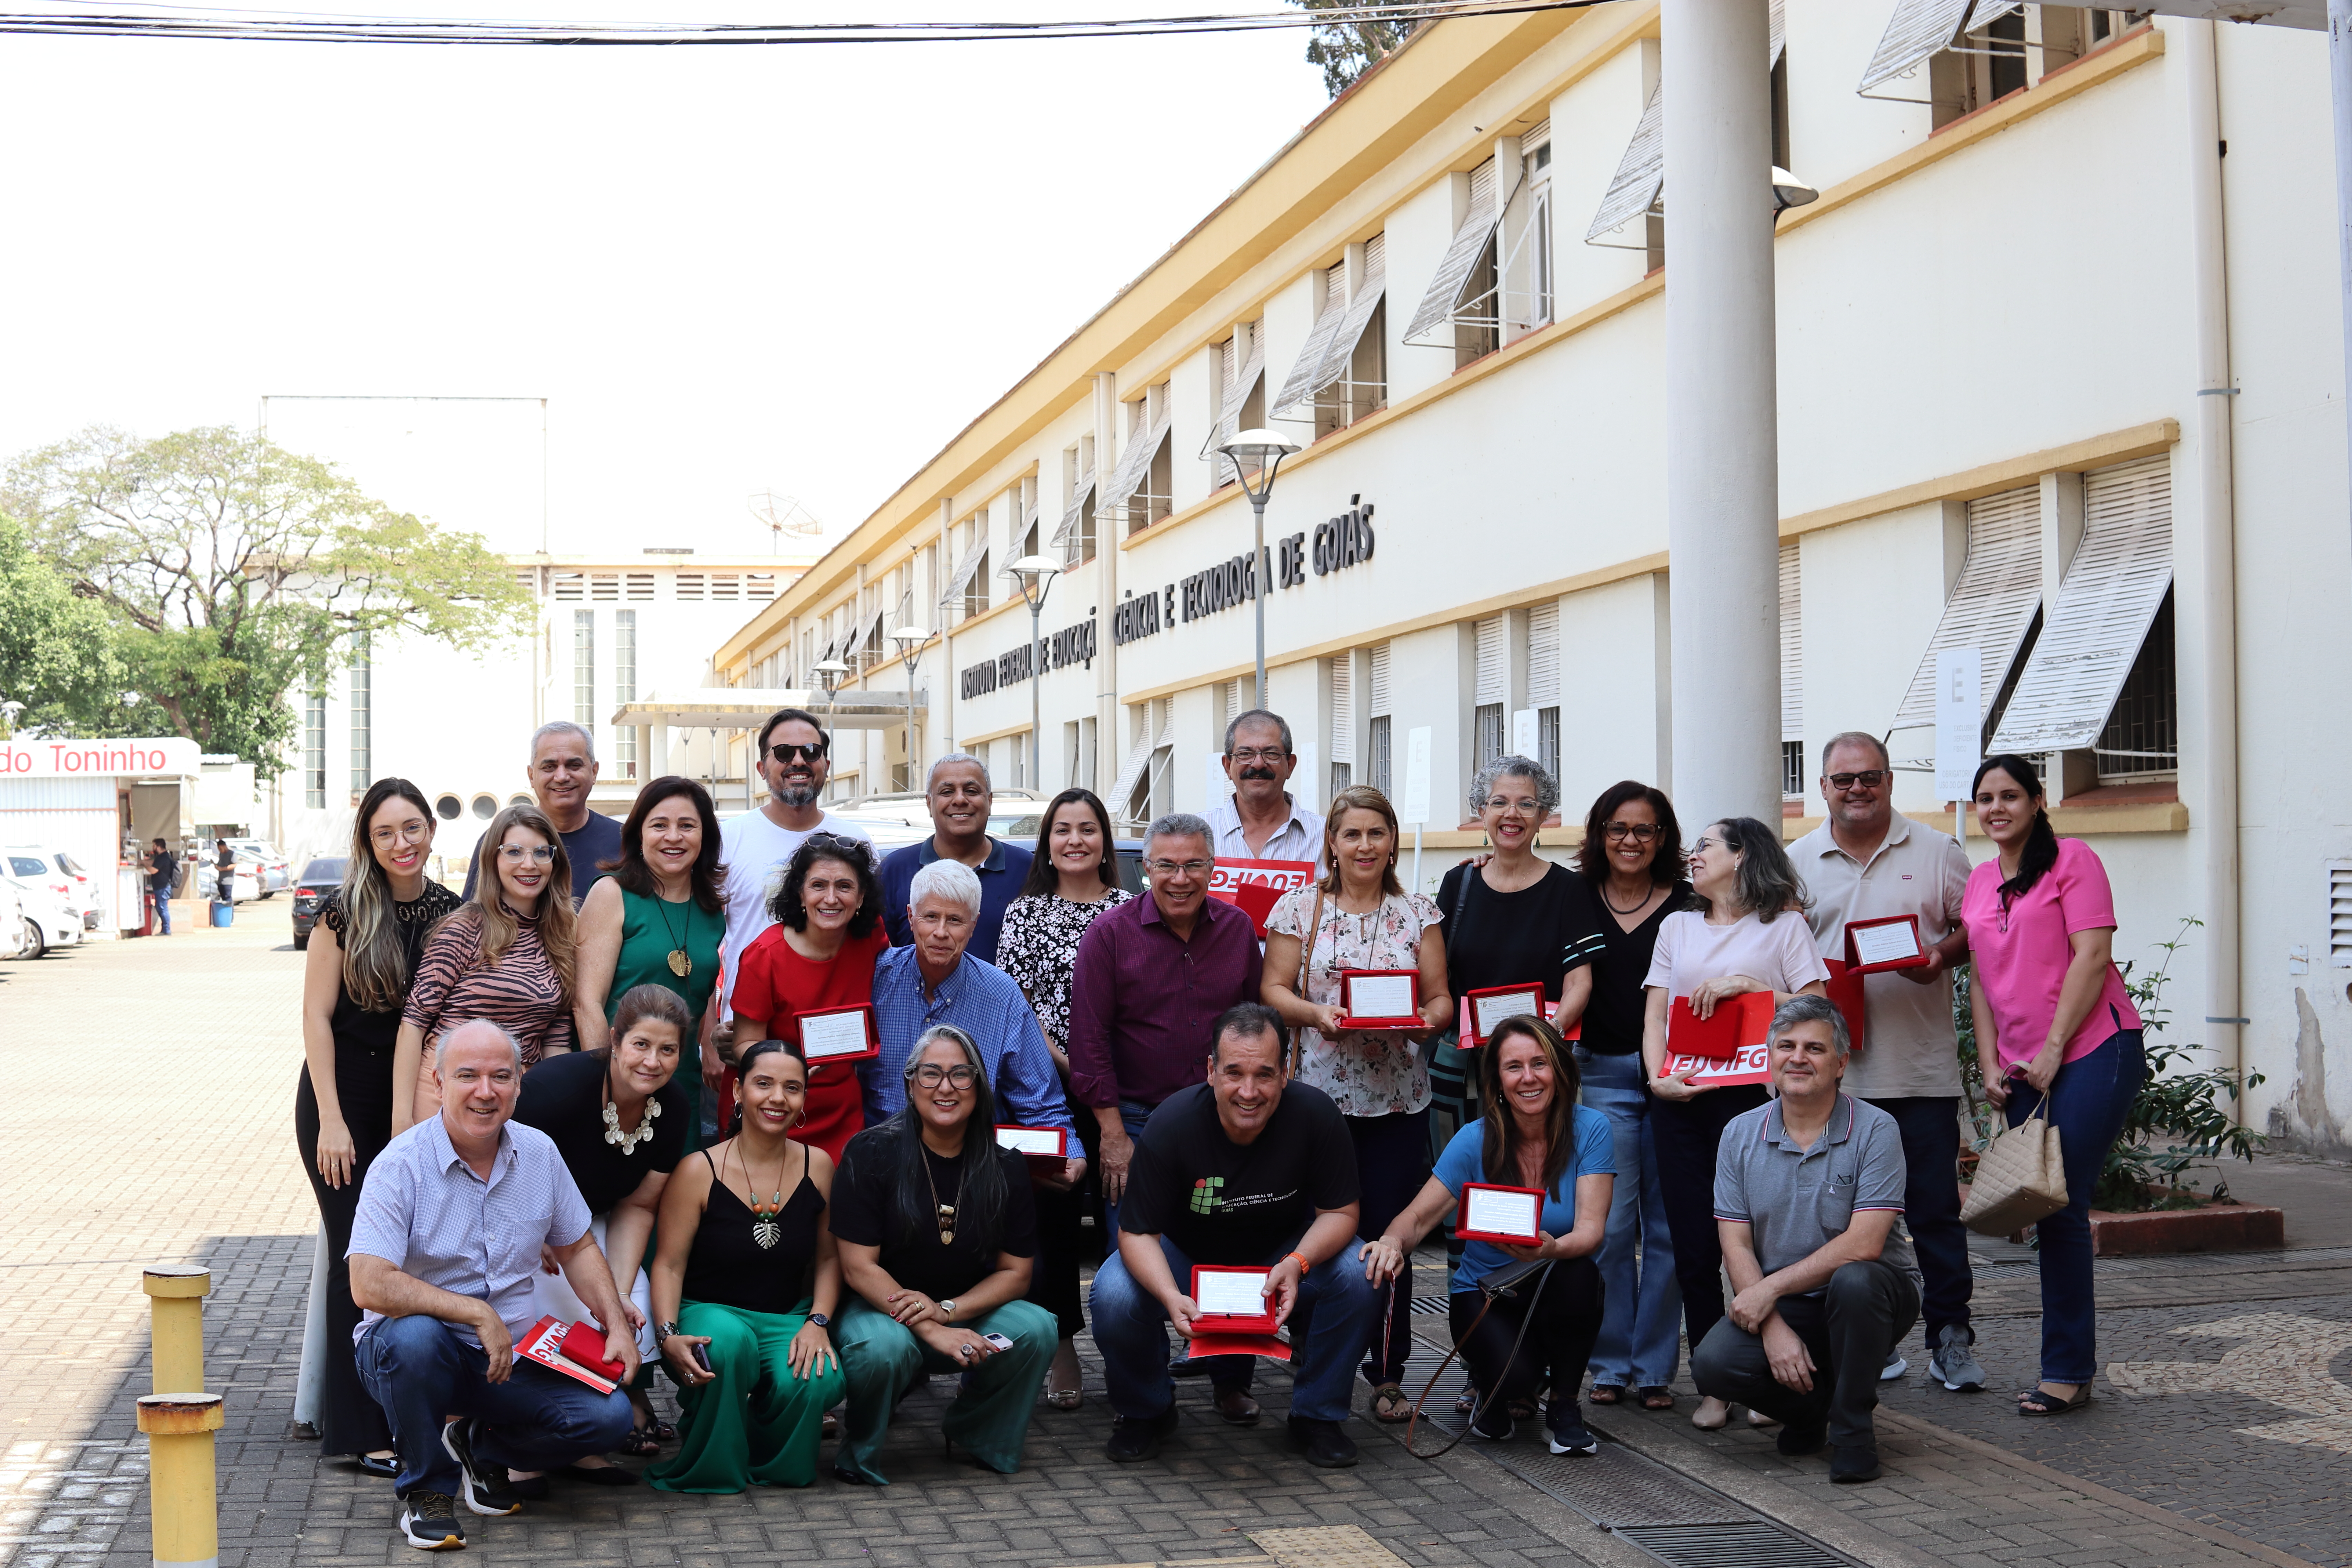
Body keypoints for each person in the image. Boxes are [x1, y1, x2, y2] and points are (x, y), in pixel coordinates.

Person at [348, 1020, 637, 1552]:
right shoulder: (400, 1166)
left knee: (609, 1418)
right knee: (415, 1339)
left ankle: (483, 1448)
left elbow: (577, 1247)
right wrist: (475, 1313)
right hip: (413, 1354)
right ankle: (427, 1495)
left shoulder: (540, 1153)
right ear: (438, 1084)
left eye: (501, 1076)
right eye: (468, 1076)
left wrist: (616, 1322)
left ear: (520, 1084)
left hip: (512, 1358)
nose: (486, 1091)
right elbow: (368, 1284)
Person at [1089, 1002, 1376, 1469]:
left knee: (1360, 1273)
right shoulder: (1171, 1124)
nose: (1248, 1091)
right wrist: (1167, 1295)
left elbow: (1342, 1212)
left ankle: (1317, 1415)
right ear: (1211, 1071)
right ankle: (1147, 1410)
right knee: (1114, 1292)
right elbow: (1137, 1232)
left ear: (1284, 1073)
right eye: (1234, 1072)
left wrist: (1297, 1263)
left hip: (1280, 1257)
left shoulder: (1317, 1115)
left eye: (1264, 1074)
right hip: (1187, 1258)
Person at [1791, 732, 1982, 1393]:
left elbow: (1974, 928)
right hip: (1832, 1082)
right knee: (1842, 1222)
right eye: (1843, 781)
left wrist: (1940, 957)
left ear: (1890, 780)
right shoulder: (1798, 862)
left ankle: (1951, 1337)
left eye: (1868, 778)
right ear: (1823, 788)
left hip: (1918, 1070)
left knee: (1932, 1213)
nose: (1857, 791)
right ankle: (1872, 1341)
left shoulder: (1936, 851)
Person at [1961, 753, 2146, 1419]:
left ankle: (2067, 1370)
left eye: (2010, 794)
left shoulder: (2074, 861)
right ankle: (2069, 1364)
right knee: (2042, 1207)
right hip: (2020, 1067)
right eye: (1984, 797)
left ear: (2038, 801)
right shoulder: (1980, 881)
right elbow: (1979, 980)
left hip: (2097, 1046)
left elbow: (2093, 956)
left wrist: (2053, 1049)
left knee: (2060, 1202)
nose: (1996, 808)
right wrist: (1989, 1066)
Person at [1261, 785, 1452, 1426]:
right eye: (1352, 834)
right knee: (1312, 1235)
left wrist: (1422, 1024)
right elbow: (1274, 990)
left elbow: (1441, 1000)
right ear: (1333, 845)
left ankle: (1389, 1372)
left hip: (1397, 1105)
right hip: (1317, 1103)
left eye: (1376, 833)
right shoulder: (1299, 908)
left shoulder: (1418, 910)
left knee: (1388, 1237)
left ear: (1392, 841)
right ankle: (1311, 1354)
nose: (1365, 845)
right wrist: (1318, 1014)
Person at [1067, 811, 1266, 1424]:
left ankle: (1232, 1378)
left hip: (1224, 1123)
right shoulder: (1110, 934)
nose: (1181, 879)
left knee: (1231, 1246)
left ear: (1214, 868)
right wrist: (1112, 1135)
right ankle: (1149, 1401)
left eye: (1194, 866)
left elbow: (1256, 1030)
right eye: (1167, 866)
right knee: (1132, 1267)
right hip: (1138, 1125)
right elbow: (1089, 1041)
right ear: (1145, 868)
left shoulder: (1237, 931)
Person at [297, 778, 464, 1471]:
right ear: (368, 841)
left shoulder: (455, 915)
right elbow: (315, 1020)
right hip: (344, 1093)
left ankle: (419, 1410)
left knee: (412, 1258)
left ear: (431, 830)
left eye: (412, 828)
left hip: (417, 1093)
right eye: (386, 832)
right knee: (355, 1257)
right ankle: (359, 1431)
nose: (402, 844)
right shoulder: (343, 914)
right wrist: (333, 1120)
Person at [1642, 814, 1829, 1430]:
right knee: (1693, 1248)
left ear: (1743, 855)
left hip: (1754, 1106)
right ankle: (1715, 1383)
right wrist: (1655, 1079)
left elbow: (1820, 1012)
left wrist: (1756, 989)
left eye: (1704, 847)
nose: (1692, 857)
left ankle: (1768, 1375)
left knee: (1767, 1244)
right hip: (1682, 1099)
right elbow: (1656, 1016)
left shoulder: (1785, 928)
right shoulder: (1677, 925)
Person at [1691, 996, 1923, 1485]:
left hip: (1874, 1295)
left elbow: (1864, 1243)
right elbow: (1735, 1244)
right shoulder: (1739, 1133)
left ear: (1840, 1063)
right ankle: (1809, 1412)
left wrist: (1767, 1292)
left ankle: (1854, 1430)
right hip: (1791, 1300)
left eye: (1815, 1048)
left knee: (1856, 1280)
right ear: (1769, 1056)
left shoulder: (1877, 1129)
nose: (1798, 1058)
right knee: (1713, 1366)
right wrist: (1773, 1328)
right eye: (1787, 1046)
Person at [1362, 1015, 1613, 1455]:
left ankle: (1564, 1406)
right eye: (1514, 1066)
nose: (1528, 1078)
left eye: (1540, 1063)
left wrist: (1551, 1248)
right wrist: (1391, 1242)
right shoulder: (1473, 1139)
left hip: (1552, 1283)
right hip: (1486, 1294)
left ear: (1560, 1069)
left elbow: (1591, 1230)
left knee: (1582, 1273)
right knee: (1517, 1378)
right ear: (1497, 1079)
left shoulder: (1591, 1128)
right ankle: (1493, 1385)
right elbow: (1418, 1218)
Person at [829, 1026, 1058, 1485]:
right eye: (931, 1074)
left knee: (1036, 1328)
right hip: (880, 1311)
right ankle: (861, 1450)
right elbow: (858, 1267)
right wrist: (931, 1327)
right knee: (883, 1348)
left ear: (979, 1084)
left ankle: (977, 1432)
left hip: (961, 1310)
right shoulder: (871, 1151)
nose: (946, 1088)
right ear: (910, 1084)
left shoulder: (1005, 1164)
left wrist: (948, 1310)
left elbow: (1016, 1273)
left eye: (960, 1074)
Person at [645, 1039, 848, 1493]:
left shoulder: (820, 1165)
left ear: (803, 1100)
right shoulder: (698, 1169)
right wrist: (668, 1334)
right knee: (730, 1344)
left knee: (818, 1377)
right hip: (711, 1311)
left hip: (785, 1316)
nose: (778, 1097)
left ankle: (767, 1456)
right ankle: (712, 1466)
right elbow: (669, 1265)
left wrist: (818, 1321)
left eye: (792, 1087)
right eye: (764, 1083)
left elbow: (830, 1258)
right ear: (737, 1091)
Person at [513, 984, 692, 1475]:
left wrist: (614, 1287)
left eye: (668, 1049)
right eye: (640, 1044)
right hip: (527, 1222)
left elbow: (639, 1204)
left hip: (601, 1220)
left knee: (633, 1300)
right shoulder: (557, 1088)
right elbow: (503, 1162)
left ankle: (587, 1430)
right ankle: (530, 1435)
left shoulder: (673, 1108)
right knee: (554, 1302)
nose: (652, 1061)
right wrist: (540, 1231)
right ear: (615, 1040)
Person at [996, 788, 1133, 1410]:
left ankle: (1132, 1349)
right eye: (1062, 830)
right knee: (1050, 1228)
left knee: (1122, 1220)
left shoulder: (1134, 909)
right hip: (1041, 1092)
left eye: (1087, 829)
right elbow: (1014, 1002)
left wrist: (1098, 1073)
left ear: (1105, 840)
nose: (1075, 840)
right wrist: (1071, 1065)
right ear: (1046, 844)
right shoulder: (1025, 913)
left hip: (1120, 1094)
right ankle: (1062, 1345)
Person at [1568, 781, 1689, 1412]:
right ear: (1600, 834)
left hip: (1678, 1081)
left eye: (1644, 830)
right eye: (1618, 829)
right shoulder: (1577, 896)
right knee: (1612, 1228)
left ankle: (1655, 1370)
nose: (1630, 842)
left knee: (1668, 1228)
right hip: (1602, 1077)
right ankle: (1610, 1362)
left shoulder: (1691, 907)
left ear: (1663, 837)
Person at [1430, 758, 1604, 1146]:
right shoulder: (1458, 883)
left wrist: (1550, 1035)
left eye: (1526, 804)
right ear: (1482, 811)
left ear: (1543, 815)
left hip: (1538, 1069)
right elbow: (1436, 974)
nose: (1512, 814)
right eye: (1499, 803)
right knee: (1462, 1178)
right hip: (1465, 1069)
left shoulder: (1568, 890)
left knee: (1540, 1174)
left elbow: (1580, 982)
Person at [865, 859, 1081, 1159]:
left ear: (974, 925)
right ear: (911, 918)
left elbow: (1040, 1102)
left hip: (971, 1168)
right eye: (931, 917)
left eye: (955, 920)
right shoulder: (874, 980)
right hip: (881, 1160)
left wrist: (1070, 1155)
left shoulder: (1002, 995)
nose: (941, 932)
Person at [395, 804, 580, 1131]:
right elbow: (414, 1024)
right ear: (494, 860)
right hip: (448, 1096)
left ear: (555, 861)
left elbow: (557, 1040)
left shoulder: (562, 935)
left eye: (541, 852)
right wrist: (401, 1121)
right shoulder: (464, 928)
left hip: (516, 1101)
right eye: (514, 852)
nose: (529, 864)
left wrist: (564, 1113)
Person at [573, 778, 728, 1147]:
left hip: (682, 1080)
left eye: (687, 826)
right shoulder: (612, 893)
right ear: (639, 835)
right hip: (622, 1080)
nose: (673, 837)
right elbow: (586, 1003)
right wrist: (606, 1086)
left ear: (704, 836)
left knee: (677, 1197)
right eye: (660, 825)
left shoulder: (711, 907)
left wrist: (711, 1044)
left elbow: (699, 983)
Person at [727, 832, 891, 1162]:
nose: (831, 898)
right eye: (819, 886)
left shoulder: (870, 936)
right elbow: (744, 1045)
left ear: (861, 898)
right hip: (774, 1108)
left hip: (843, 1111)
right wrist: (790, 1071)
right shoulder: (765, 956)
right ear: (800, 893)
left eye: (844, 886)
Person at [717, 708, 873, 1015]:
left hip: (839, 1028)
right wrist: (709, 1033)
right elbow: (703, 944)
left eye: (811, 752)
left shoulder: (856, 840)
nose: (799, 761)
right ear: (762, 768)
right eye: (785, 753)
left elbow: (870, 936)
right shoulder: (729, 839)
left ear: (826, 765)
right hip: (749, 1028)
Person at [877, 753, 1034, 962]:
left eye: (971, 791)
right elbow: (880, 956)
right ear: (929, 803)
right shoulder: (894, 870)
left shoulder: (1027, 870)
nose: (960, 800)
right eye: (947, 791)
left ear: (989, 800)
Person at [460, 721, 623, 906]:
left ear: (594, 772)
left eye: (574, 766)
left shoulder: (626, 841)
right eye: (549, 767)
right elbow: (474, 916)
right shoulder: (500, 841)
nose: (562, 777)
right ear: (531, 776)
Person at [1205, 709, 1326, 862]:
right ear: (1228, 767)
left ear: (1290, 766)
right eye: (1245, 754)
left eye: (1271, 754)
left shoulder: (1326, 837)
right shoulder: (1197, 834)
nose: (1258, 764)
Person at [146, 837, 176, 935]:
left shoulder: (163, 858)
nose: (153, 848)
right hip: (162, 887)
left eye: (154, 846)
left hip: (163, 887)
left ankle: (167, 930)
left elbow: (154, 870)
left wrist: (145, 866)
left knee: (162, 908)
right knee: (161, 907)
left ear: (158, 847)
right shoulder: (165, 857)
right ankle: (165, 929)